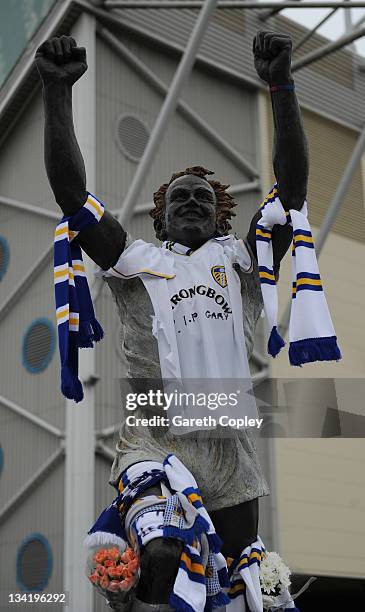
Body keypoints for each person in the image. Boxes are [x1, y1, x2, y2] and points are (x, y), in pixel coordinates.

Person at [35, 30, 309, 611]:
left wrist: (282, 87)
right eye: (179, 198)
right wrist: (57, 94)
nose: (191, 202)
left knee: (246, 592)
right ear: (160, 221)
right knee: (162, 563)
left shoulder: (240, 259)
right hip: (157, 437)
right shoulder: (138, 262)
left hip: (229, 446)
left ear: (219, 216)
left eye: (203, 199)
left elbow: (291, 192)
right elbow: (71, 194)